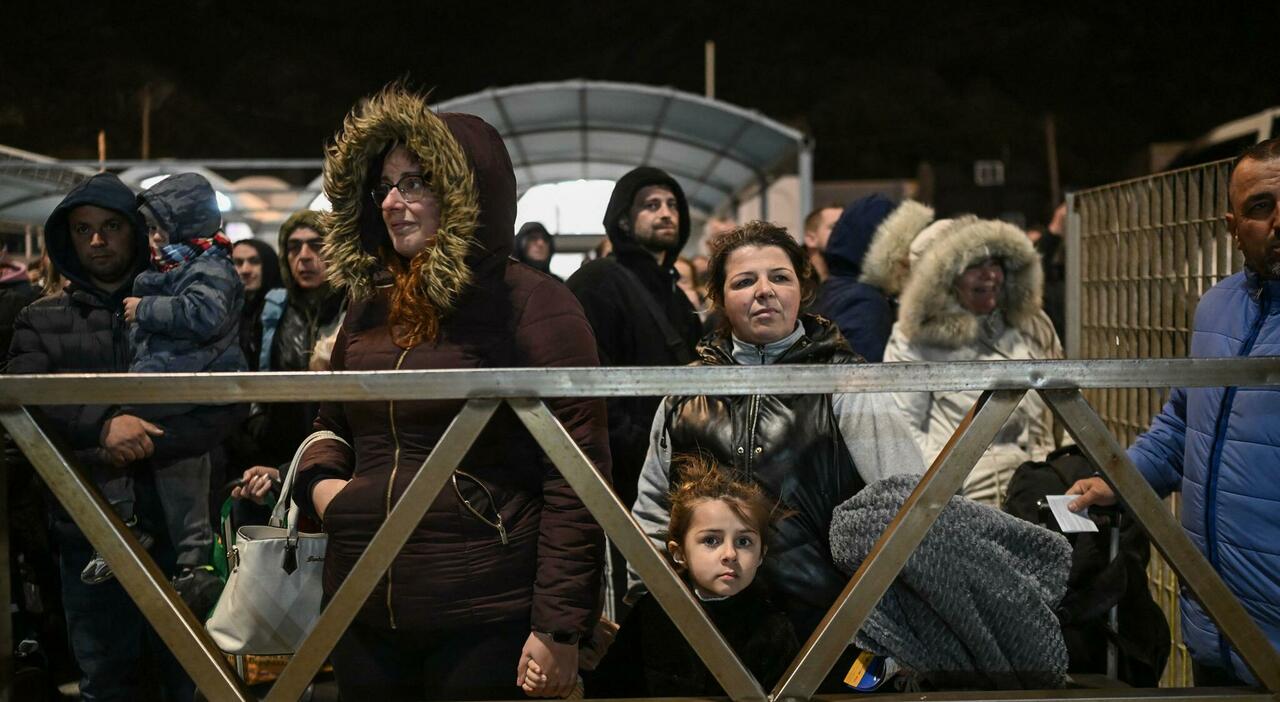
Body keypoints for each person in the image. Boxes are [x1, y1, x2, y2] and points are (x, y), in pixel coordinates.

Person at [290, 85, 610, 700]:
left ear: (469, 192)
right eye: (384, 185)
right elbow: (327, 427)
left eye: (417, 182)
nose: (392, 202)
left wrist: (559, 628)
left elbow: (576, 480)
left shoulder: (535, 304)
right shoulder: (365, 306)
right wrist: (325, 493)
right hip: (362, 603)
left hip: (483, 618)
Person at [631, 220, 925, 641]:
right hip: (709, 630)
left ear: (803, 291)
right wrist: (653, 609)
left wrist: (897, 626)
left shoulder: (847, 383)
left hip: (828, 626)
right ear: (719, 298)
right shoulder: (685, 393)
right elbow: (652, 515)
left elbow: (905, 503)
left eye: (780, 277)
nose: (763, 290)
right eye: (744, 281)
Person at [4, 173, 234, 701]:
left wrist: (150, 435)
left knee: (192, 679)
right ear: (66, 238)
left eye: (110, 226)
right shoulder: (40, 319)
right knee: (107, 681)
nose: (97, 241)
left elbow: (226, 402)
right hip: (88, 531)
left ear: (135, 229)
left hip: (183, 538)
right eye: (83, 230)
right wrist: (102, 428)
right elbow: (25, 403)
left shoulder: (180, 305)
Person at [1067, 138, 1280, 687]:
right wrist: (1124, 481)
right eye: (1261, 207)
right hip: (1216, 624)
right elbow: (1184, 421)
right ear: (1232, 226)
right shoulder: (1216, 307)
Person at [74, 173, 245, 614]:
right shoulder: (176, 267)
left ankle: (146, 538)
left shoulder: (209, 266)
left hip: (185, 382)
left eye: (157, 229)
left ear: (182, 225)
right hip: (168, 380)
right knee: (162, 455)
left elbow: (203, 313)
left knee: (114, 426)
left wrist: (143, 308)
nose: (151, 239)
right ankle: (166, 548)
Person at [567, 166, 702, 615]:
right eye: (651, 205)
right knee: (621, 597)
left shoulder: (674, 293)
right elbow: (583, 377)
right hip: (619, 471)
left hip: (671, 470)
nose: (666, 214)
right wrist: (632, 441)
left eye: (672, 205)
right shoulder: (598, 281)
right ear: (623, 220)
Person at [579, 454, 797, 696]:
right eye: (711, 540)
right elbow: (608, 689)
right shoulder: (653, 611)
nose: (730, 554)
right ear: (679, 551)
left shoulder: (773, 626)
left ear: (761, 555)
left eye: (744, 541)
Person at [883, 217, 1064, 506]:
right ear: (942, 277)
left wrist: (1071, 465)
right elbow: (905, 430)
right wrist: (941, 493)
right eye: (972, 266)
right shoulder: (914, 338)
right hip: (971, 500)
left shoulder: (1031, 322)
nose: (989, 275)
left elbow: (1066, 406)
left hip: (1044, 486)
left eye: (994, 263)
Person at [813, 195, 933, 362]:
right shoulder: (863, 302)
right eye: (904, 248)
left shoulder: (834, 289)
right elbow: (865, 379)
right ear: (884, 252)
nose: (908, 259)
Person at [230, 238, 283, 371]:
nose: (245, 270)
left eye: (254, 261)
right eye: (238, 263)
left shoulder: (285, 309)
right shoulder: (224, 313)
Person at [802, 204, 842, 283]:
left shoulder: (857, 280)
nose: (844, 232)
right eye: (834, 227)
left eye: (847, 227)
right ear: (811, 239)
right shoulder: (794, 279)